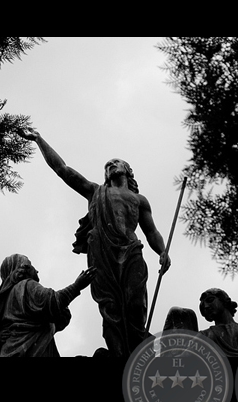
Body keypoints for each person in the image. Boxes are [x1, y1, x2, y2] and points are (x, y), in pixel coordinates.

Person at [21, 128, 171, 357]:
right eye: (107, 165)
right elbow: (62, 170)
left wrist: (162, 251)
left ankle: (138, 349)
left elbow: (151, 231)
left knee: (134, 304)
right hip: (102, 253)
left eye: (115, 162)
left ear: (127, 170)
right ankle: (119, 354)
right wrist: (39, 139)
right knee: (109, 308)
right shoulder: (95, 191)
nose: (110, 165)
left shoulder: (139, 200)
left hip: (131, 252)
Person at [0, 254, 96, 357]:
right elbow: (51, 302)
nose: (37, 271)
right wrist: (77, 286)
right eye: (31, 265)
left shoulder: (4, 302)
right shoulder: (26, 286)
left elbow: (59, 320)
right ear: (24, 268)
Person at [164, 288, 238, 357]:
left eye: (210, 300)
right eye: (202, 305)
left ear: (224, 301)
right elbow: (180, 362)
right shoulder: (203, 337)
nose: (205, 306)